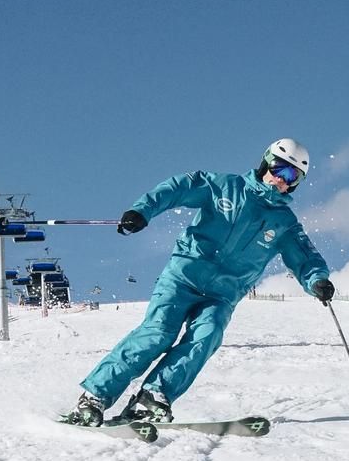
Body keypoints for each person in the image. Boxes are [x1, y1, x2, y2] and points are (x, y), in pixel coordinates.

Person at [67, 138, 334, 426]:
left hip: (222, 295)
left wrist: (317, 280)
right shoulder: (224, 186)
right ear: (266, 162)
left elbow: (305, 256)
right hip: (183, 277)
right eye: (280, 169)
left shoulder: (284, 222)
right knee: (158, 333)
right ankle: (95, 396)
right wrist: (142, 211)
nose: (282, 180)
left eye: (292, 177)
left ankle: (153, 395)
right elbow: (179, 188)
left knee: (206, 337)